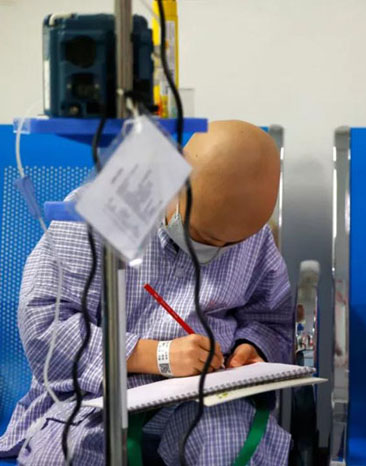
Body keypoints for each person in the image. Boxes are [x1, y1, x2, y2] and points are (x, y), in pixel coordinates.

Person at [0, 120, 293, 465]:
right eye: (205, 237)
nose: (217, 251)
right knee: (68, 451)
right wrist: (153, 355)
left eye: (234, 243)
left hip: (208, 401)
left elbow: (269, 317)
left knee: (234, 445)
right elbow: (45, 326)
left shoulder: (254, 238)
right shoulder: (101, 211)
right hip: (99, 398)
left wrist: (251, 348)